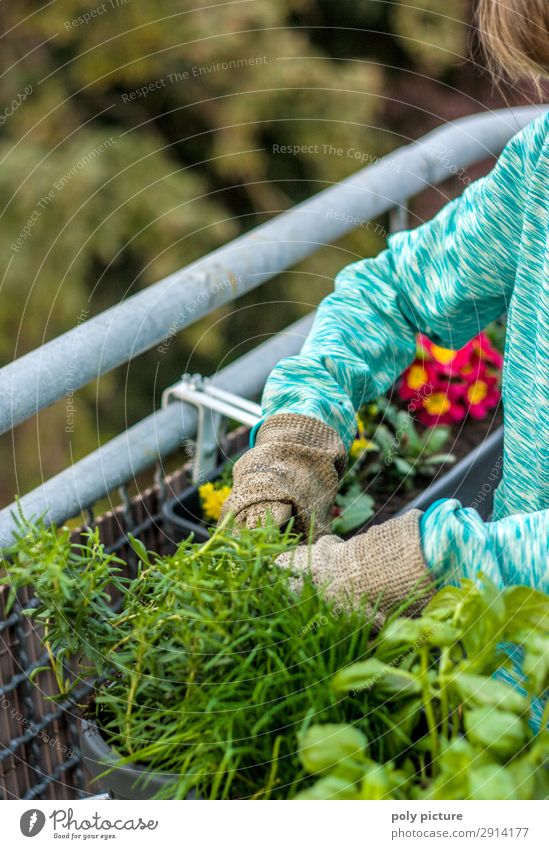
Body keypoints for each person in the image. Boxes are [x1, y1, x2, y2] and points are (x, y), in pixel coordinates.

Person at [221, 0, 549, 628]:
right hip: (506, 666)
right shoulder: (540, 166)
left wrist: (428, 562)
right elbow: (391, 290)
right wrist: (299, 434)